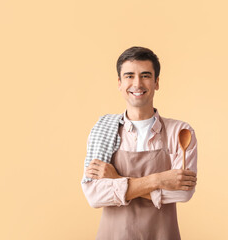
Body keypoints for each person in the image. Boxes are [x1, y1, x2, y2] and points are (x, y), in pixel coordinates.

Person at [80, 46, 198, 240]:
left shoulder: (181, 132)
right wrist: (158, 180)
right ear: (119, 83)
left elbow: (183, 194)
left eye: (145, 75)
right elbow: (94, 196)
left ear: (156, 82)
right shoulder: (103, 130)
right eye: (129, 76)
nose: (137, 83)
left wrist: (116, 179)